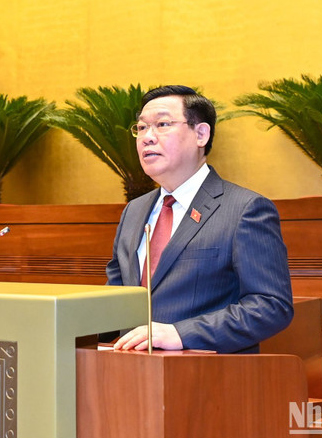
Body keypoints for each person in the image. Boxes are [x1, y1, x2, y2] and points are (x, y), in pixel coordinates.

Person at [107, 85, 293, 354]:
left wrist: (181, 334)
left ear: (201, 134)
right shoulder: (133, 212)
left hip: (206, 378)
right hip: (130, 374)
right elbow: (113, 300)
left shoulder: (244, 209)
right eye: (141, 128)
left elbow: (271, 306)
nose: (147, 137)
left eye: (162, 124)